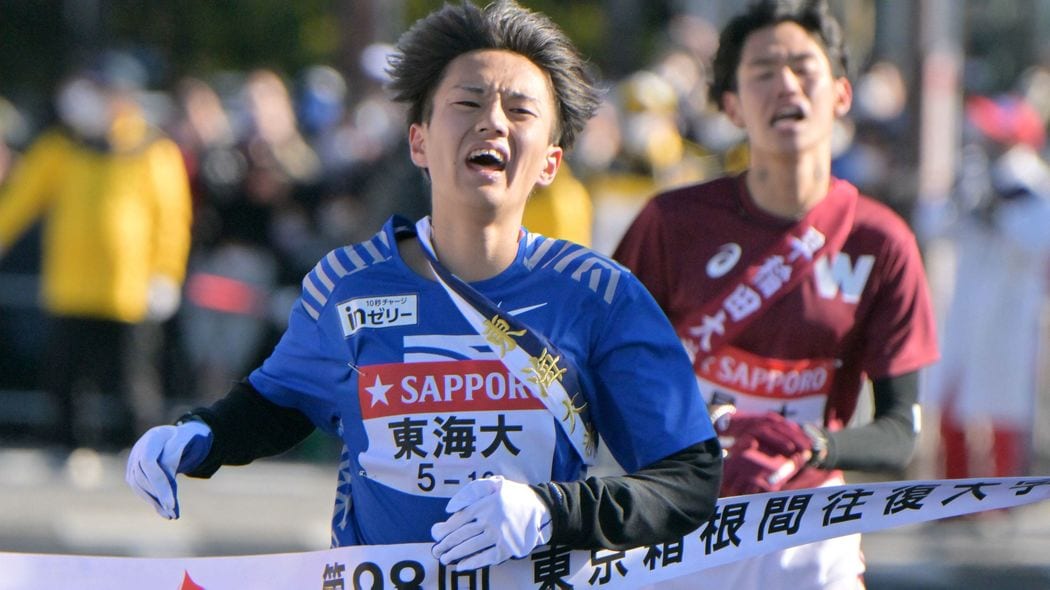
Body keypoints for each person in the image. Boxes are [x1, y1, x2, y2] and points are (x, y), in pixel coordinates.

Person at [126, 0, 722, 573]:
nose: (492, 121)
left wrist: (552, 513)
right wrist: (200, 434)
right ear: (418, 141)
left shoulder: (602, 298)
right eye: (467, 101)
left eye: (520, 111)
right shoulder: (347, 286)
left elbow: (689, 479)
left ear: (550, 162)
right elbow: (282, 401)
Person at [613, 1, 938, 588]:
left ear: (841, 94)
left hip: (811, 529)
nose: (785, 83)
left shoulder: (882, 241)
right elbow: (608, 371)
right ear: (731, 105)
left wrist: (813, 446)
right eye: (762, 70)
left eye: (803, 67)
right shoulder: (671, 222)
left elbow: (900, 434)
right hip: (683, 518)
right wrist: (702, 436)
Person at [0, 64, 193, 451]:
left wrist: (166, 275)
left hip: (128, 290)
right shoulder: (61, 148)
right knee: (65, 378)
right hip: (71, 286)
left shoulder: (152, 151)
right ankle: (67, 447)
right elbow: (19, 202)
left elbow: (171, 219)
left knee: (133, 380)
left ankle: (141, 452)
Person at [921, 93, 1050, 482]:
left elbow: (1038, 238)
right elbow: (933, 226)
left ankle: (1002, 496)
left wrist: (1001, 213)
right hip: (964, 310)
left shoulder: (1035, 185)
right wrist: (961, 199)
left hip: (1010, 314)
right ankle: (952, 494)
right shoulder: (975, 177)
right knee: (951, 402)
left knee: (1004, 407)